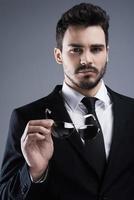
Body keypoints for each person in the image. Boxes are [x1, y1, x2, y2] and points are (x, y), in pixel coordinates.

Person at [0, 2, 134, 200]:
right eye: (76, 50)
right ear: (58, 55)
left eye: (96, 49)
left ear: (107, 53)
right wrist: (34, 172)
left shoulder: (132, 112)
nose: (86, 60)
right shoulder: (27, 119)